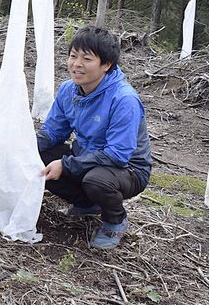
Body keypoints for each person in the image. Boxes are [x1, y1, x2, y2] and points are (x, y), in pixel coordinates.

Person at [37, 25, 151, 250]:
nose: (76, 64)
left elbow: (117, 155)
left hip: (127, 169)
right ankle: (86, 204)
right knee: (38, 154)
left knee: (96, 181)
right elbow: (52, 131)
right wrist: (22, 146)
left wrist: (66, 165)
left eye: (87, 59)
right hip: (88, 157)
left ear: (106, 65)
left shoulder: (124, 99)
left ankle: (115, 221)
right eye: (72, 56)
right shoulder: (69, 90)